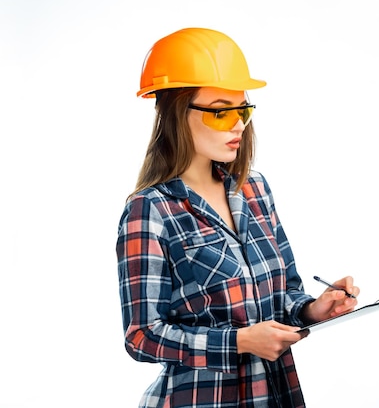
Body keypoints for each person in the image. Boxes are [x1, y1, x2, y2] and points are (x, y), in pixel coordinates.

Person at [116, 27, 360, 408]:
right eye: (219, 112)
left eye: (242, 109)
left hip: (276, 396)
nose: (238, 124)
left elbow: (285, 296)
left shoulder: (255, 190)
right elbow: (142, 336)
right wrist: (240, 341)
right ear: (177, 114)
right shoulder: (150, 210)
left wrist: (316, 308)